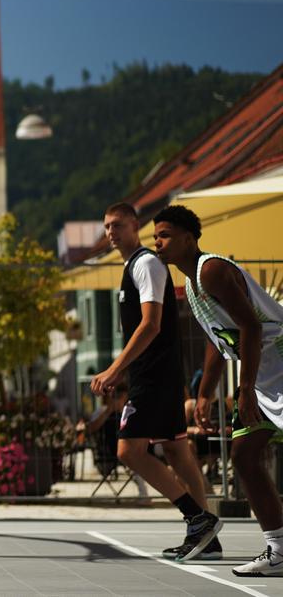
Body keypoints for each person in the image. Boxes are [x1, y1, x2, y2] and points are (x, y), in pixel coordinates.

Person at [154, 203, 283, 577]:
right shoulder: (191, 282)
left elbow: (252, 329)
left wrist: (243, 391)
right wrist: (206, 392)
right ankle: (278, 550)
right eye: (155, 238)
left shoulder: (211, 270)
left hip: (276, 364)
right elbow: (218, 337)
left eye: (165, 236)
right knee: (244, 458)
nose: (158, 244)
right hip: (262, 378)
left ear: (189, 238)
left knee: (246, 456)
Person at [90, 202, 221, 561]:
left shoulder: (146, 263)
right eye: (106, 227)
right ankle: (207, 537)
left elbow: (151, 324)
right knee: (178, 453)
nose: (111, 232)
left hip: (153, 375)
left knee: (128, 451)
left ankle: (197, 518)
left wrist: (115, 369)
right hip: (156, 374)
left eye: (117, 225)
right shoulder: (135, 267)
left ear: (135, 226)